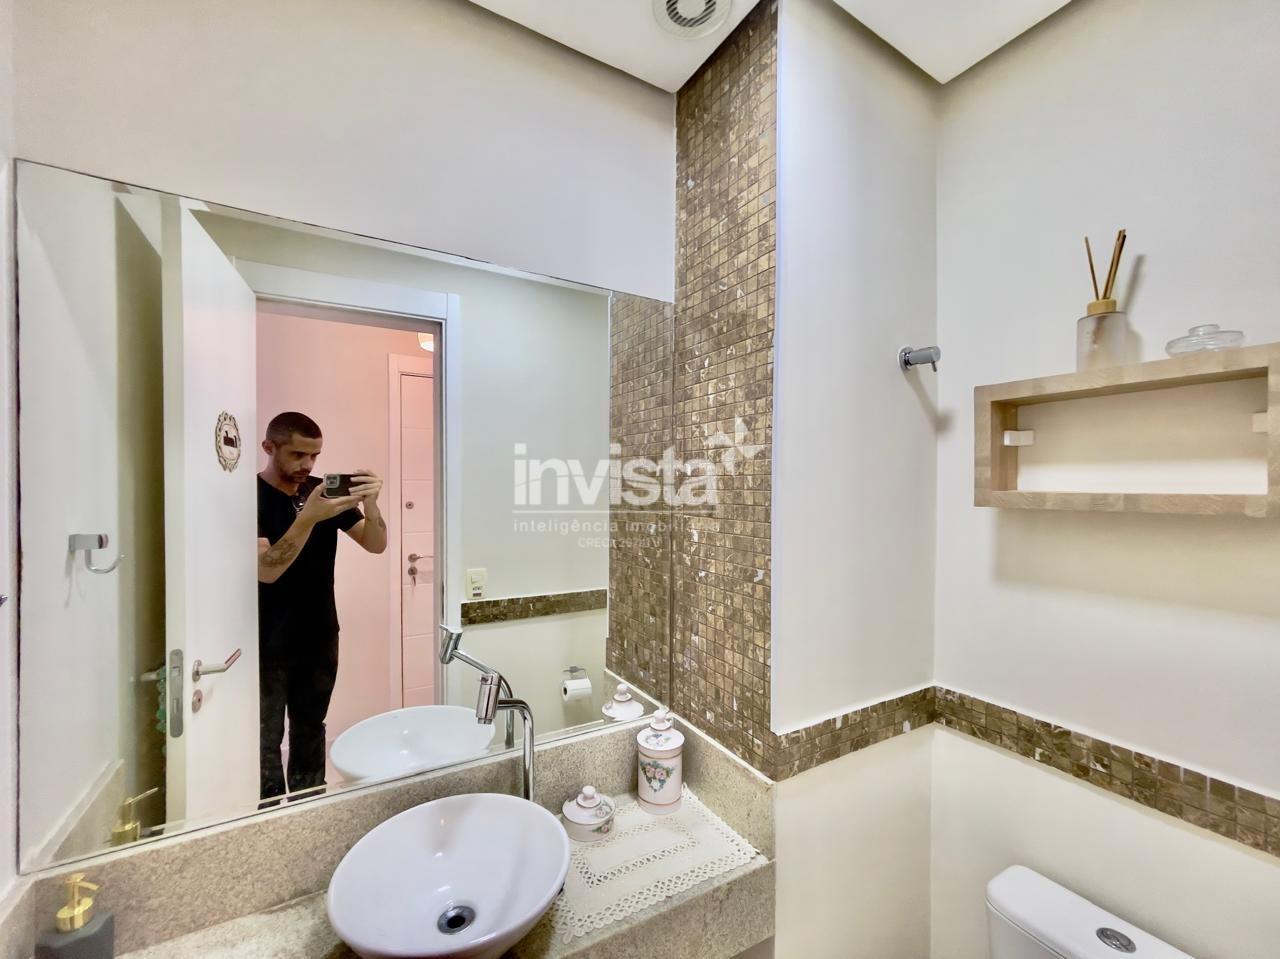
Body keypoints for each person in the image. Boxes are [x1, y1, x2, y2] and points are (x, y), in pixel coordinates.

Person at [256, 411, 386, 802]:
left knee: (311, 728)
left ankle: (310, 808)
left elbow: (375, 544)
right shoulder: (251, 496)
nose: (308, 465)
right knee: (265, 737)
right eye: (297, 455)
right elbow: (266, 570)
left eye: (314, 456)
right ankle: (266, 816)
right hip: (267, 638)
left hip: (319, 632)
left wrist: (372, 506)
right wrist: (308, 519)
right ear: (269, 447)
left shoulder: (323, 493)